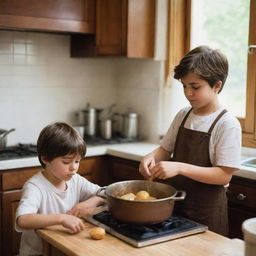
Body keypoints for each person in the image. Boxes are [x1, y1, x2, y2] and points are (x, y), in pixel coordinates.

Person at [139, 46, 241, 236]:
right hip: (175, 208)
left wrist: (179, 167)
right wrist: (151, 157)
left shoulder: (227, 124)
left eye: (195, 87)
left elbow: (224, 175)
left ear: (217, 85)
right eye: (184, 86)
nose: (188, 93)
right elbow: (164, 149)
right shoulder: (183, 115)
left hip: (207, 213)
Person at [15, 122, 104, 256]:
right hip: (38, 253)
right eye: (66, 162)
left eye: (77, 161)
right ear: (45, 158)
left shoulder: (76, 180)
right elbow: (23, 220)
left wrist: (91, 201)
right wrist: (61, 218)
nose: (73, 167)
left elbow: (106, 192)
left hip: (64, 248)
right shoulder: (35, 187)